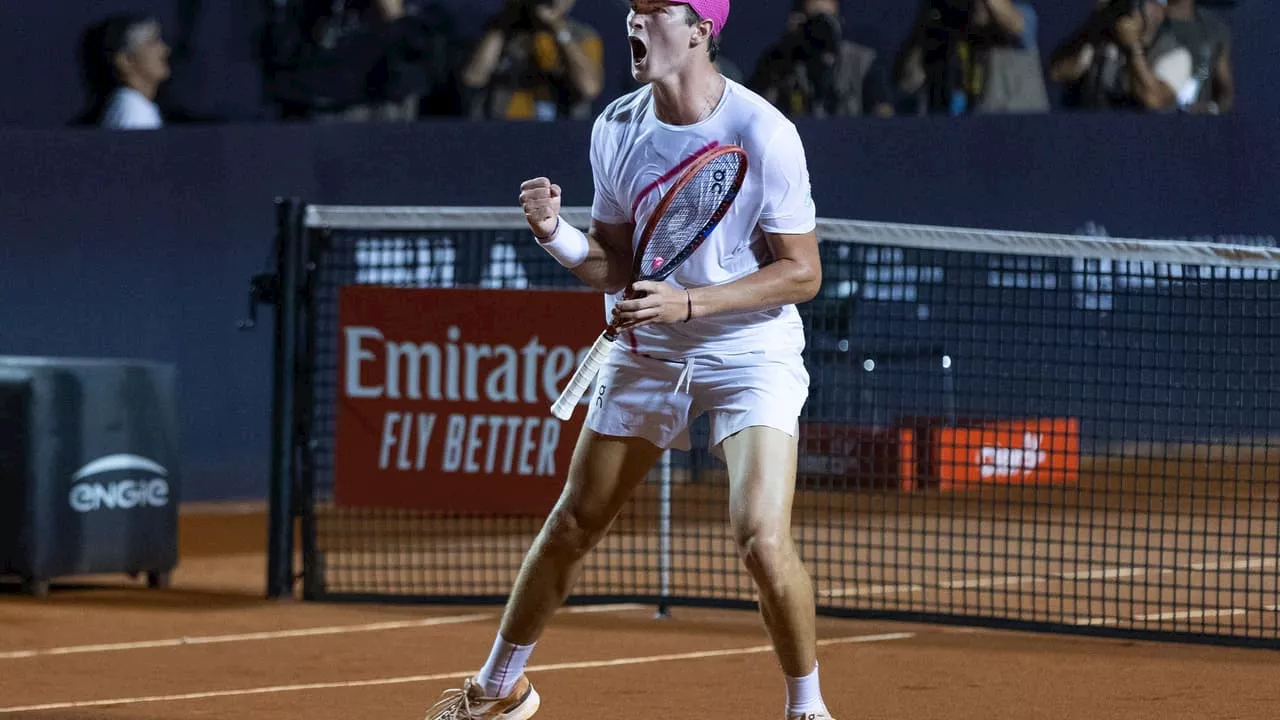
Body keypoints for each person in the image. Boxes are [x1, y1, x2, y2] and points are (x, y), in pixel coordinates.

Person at [423, 1, 831, 719]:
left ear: (702, 29)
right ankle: (498, 689)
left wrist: (691, 304)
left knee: (762, 541)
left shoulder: (763, 131)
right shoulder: (617, 127)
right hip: (650, 347)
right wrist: (556, 235)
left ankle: (808, 710)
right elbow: (614, 266)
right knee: (573, 523)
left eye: (656, 11)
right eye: (631, 10)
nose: (635, 24)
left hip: (749, 348)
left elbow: (802, 273)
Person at [459, 0, 605, 120]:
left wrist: (559, 30)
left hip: (563, 135)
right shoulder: (502, 32)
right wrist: (508, 19)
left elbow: (589, 88)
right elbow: (473, 77)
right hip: (506, 131)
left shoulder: (582, 36)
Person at [752, 0, 896, 118]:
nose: (820, 30)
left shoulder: (862, 62)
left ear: (839, 21)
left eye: (827, 20)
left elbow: (885, 121)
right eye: (814, 21)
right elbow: (754, 112)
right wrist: (786, 52)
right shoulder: (780, 61)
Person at [74, 14, 172, 130]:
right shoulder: (134, 112)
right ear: (125, 60)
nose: (165, 50)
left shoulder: (134, 107)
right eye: (152, 42)